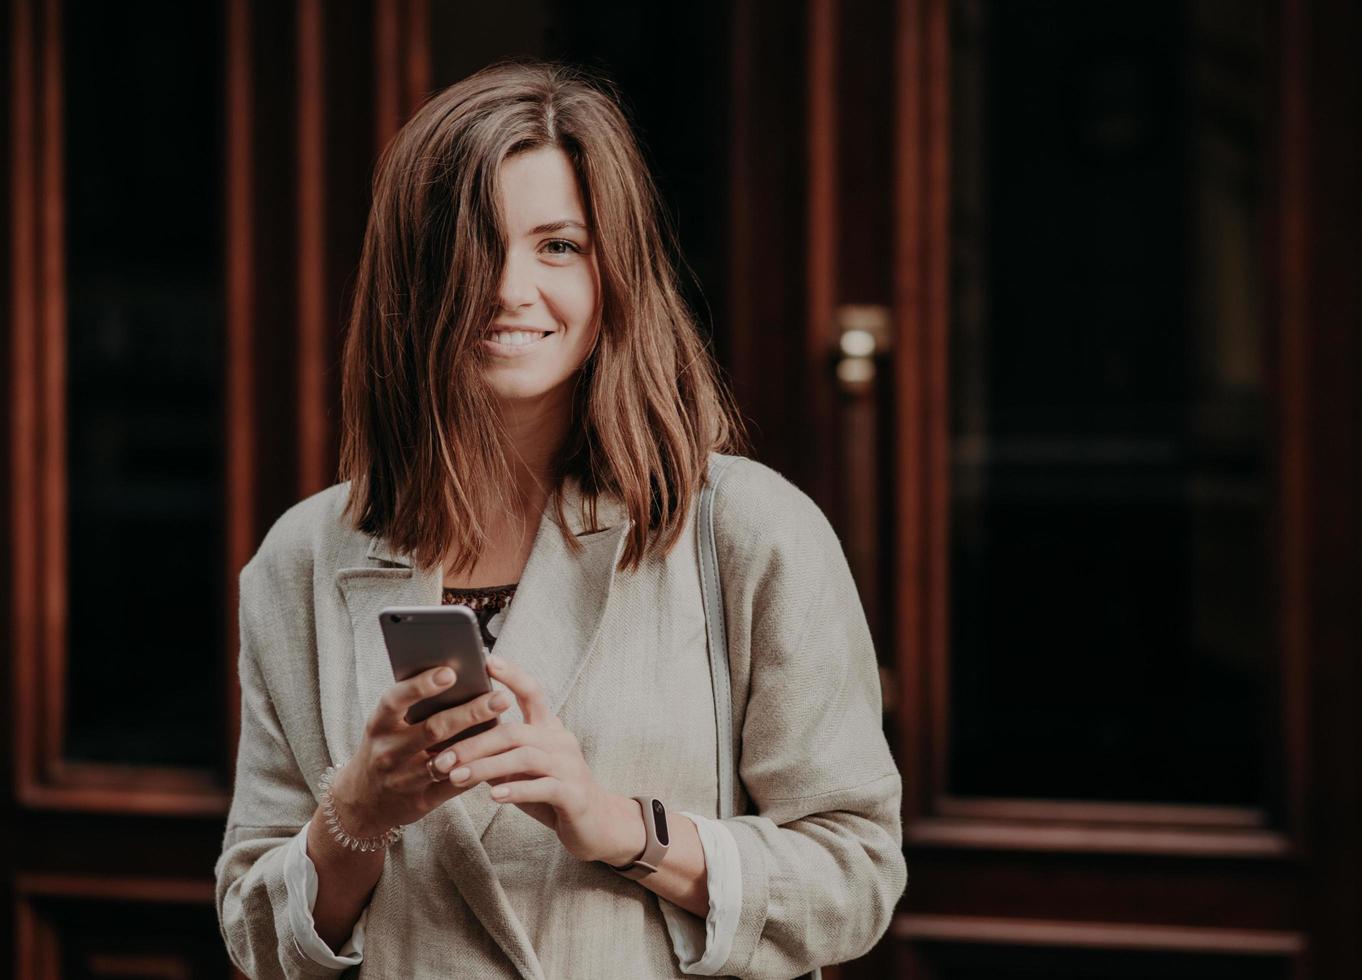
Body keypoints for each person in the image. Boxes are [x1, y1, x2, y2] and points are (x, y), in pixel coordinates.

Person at [214, 59, 906, 980]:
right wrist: (357, 809)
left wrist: (616, 824)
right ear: (409, 277)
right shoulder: (302, 558)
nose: (509, 289)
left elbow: (855, 876)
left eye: (559, 246)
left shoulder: (749, 531)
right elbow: (255, 937)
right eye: (473, 245)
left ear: (614, 269)